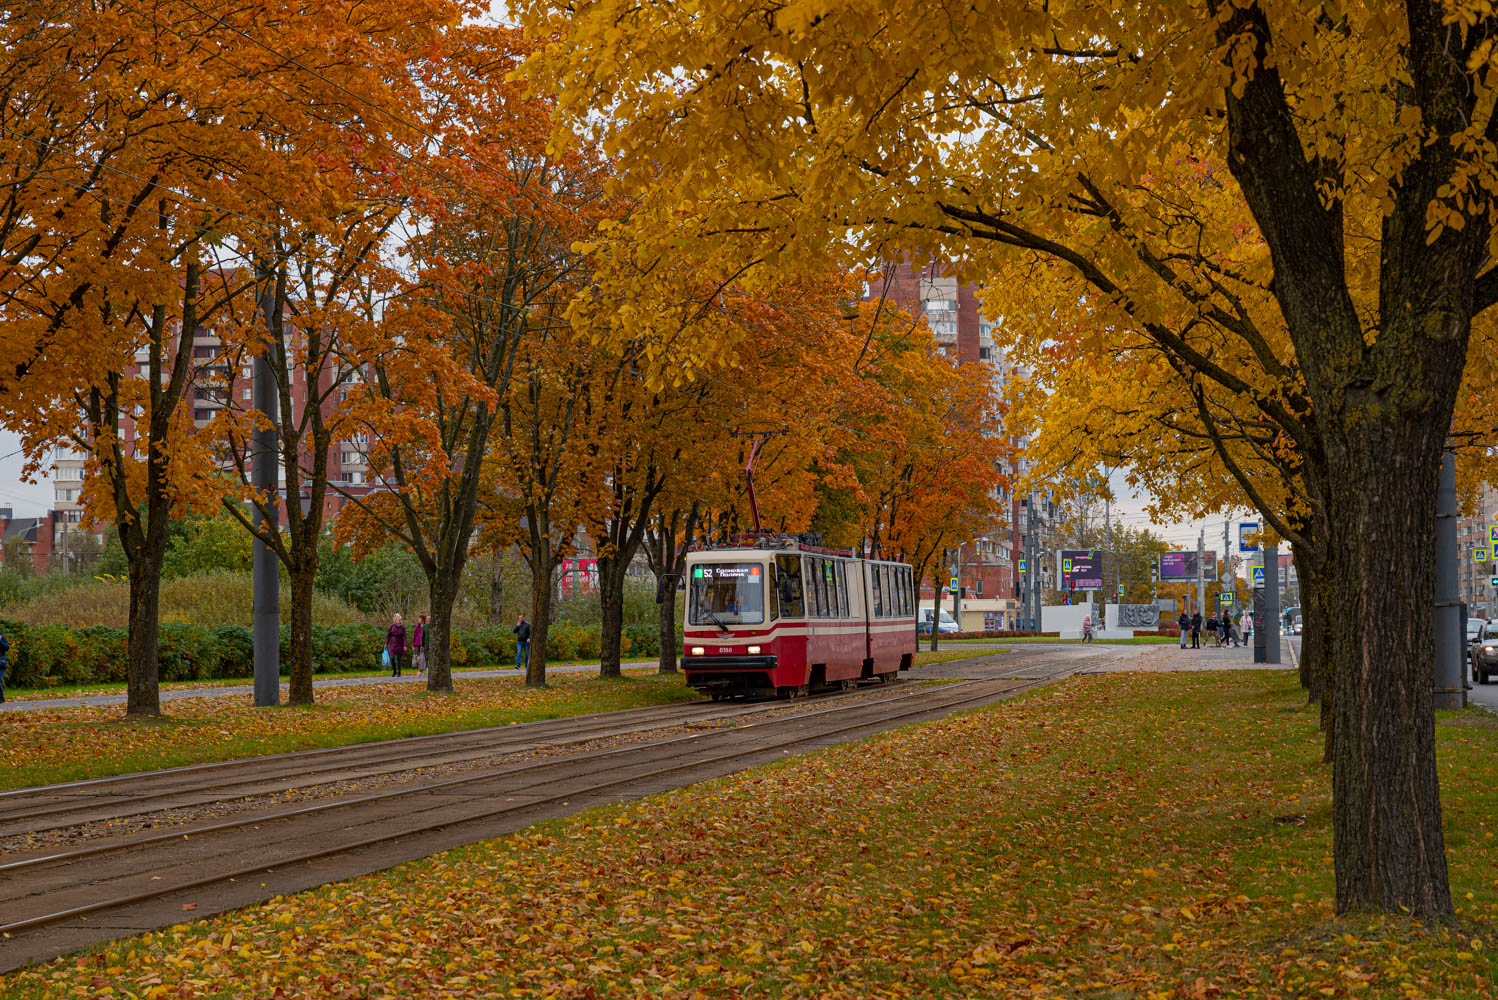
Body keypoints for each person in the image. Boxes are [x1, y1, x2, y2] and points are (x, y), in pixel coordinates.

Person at [385, 613, 408, 678]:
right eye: (399, 620)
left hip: (400, 644)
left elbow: (404, 637)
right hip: (393, 644)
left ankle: (399, 672)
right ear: (395, 620)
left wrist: (405, 645)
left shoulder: (402, 627)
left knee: (399, 659)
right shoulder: (392, 626)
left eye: (401, 620)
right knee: (392, 658)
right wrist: (386, 643)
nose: (400, 621)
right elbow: (388, 635)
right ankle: (394, 671)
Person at [0, 629, 11, 704]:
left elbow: (7, 647)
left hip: (1, 663)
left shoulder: (2, 637)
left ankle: (1, 697)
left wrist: (0, 641)